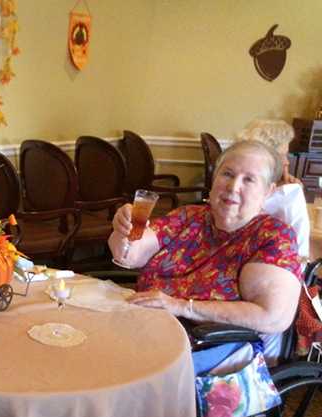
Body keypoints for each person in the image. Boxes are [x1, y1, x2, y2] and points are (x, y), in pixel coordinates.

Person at [109, 140, 302, 371]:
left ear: (268, 192)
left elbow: (272, 316)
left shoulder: (272, 235)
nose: (233, 186)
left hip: (206, 346)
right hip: (145, 326)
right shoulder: (189, 216)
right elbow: (129, 256)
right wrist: (124, 230)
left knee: (114, 369)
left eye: (249, 179)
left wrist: (181, 306)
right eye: (227, 174)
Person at [234, 119, 309, 262]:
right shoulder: (289, 195)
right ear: (267, 155)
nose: (287, 161)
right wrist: (293, 190)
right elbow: (301, 254)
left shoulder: (235, 182)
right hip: (275, 266)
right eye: (283, 154)